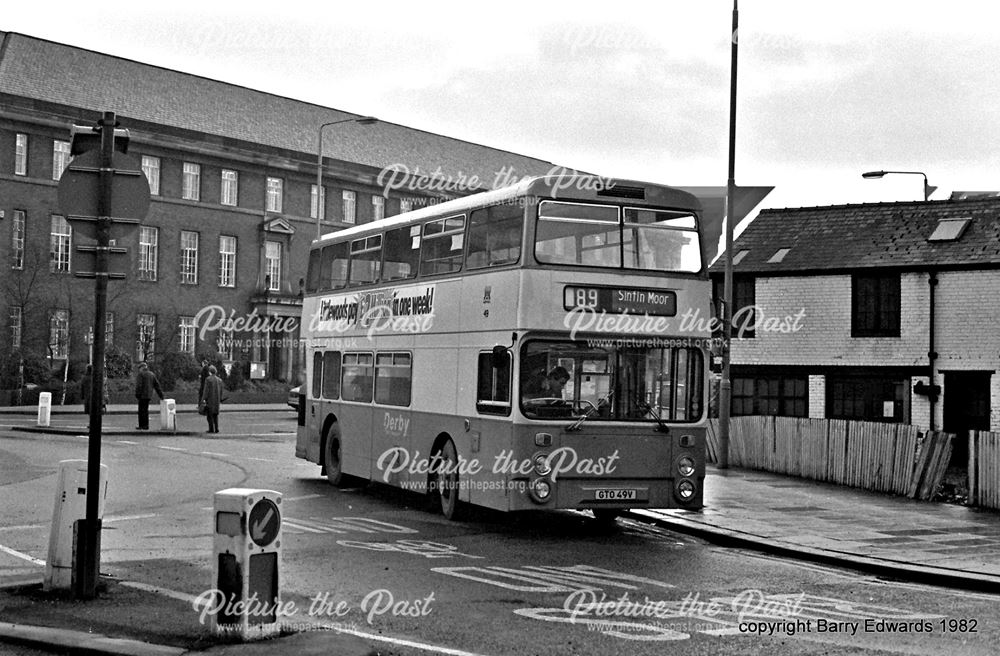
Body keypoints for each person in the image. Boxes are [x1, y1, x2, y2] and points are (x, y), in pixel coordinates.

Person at [134, 362, 164, 430]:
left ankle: (142, 425)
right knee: (146, 410)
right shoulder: (152, 374)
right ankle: (146, 425)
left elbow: (139, 385)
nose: (139, 370)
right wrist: (161, 396)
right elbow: (157, 386)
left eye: (139, 368)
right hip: (149, 395)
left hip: (142, 395)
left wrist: (137, 394)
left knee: (141, 411)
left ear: (142, 368)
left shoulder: (141, 375)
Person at [200, 365, 223, 434]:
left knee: (209, 416)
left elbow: (206, 391)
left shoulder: (208, 379)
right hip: (217, 400)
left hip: (210, 399)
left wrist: (203, 399)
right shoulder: (219, 380)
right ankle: (216, 428)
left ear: (210, 371)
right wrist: (220, 399)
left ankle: (211, 429)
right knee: (215, 415)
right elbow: (221, 391)